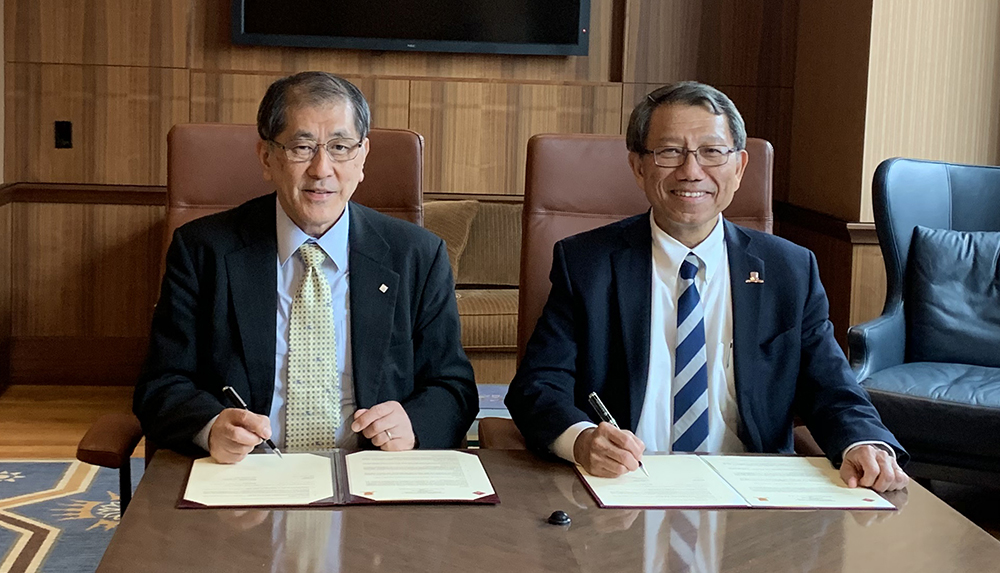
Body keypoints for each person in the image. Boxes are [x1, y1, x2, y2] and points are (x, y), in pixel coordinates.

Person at [505, 81, 909, 492]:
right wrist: (582, 439)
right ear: (638, 166)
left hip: (754, 494)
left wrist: (865, 442)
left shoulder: (789, 269)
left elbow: (832, 386)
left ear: (739, 166)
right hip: (627, 485)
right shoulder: (587, 264)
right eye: (669, 151)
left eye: (712, 152)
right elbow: (538, 385)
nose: (691, 171)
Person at [134, 71, 477, 462]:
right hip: (249, 474)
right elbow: (161, 384)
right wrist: (211, 426)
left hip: (373, 476)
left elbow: (454, 386)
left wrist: (413, 423)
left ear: (362, 157)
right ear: (267, 158)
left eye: (340, 147)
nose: (321, 169)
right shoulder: (202, 250)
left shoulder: (417, 254)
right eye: (302, 147)